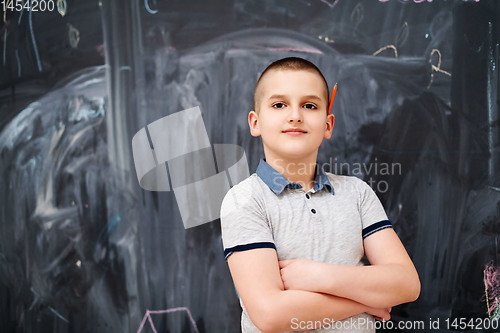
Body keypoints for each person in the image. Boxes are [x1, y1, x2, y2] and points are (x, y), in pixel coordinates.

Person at [219, 57, 420, 333]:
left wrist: (318, 276)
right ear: (255, 123)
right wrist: (365, 303)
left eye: (309, 105)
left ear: (328, 125)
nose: (295, 115)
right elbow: (271, 315)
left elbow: (406, 284)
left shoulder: (357, 194)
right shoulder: (244, 200)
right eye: (279, 104)